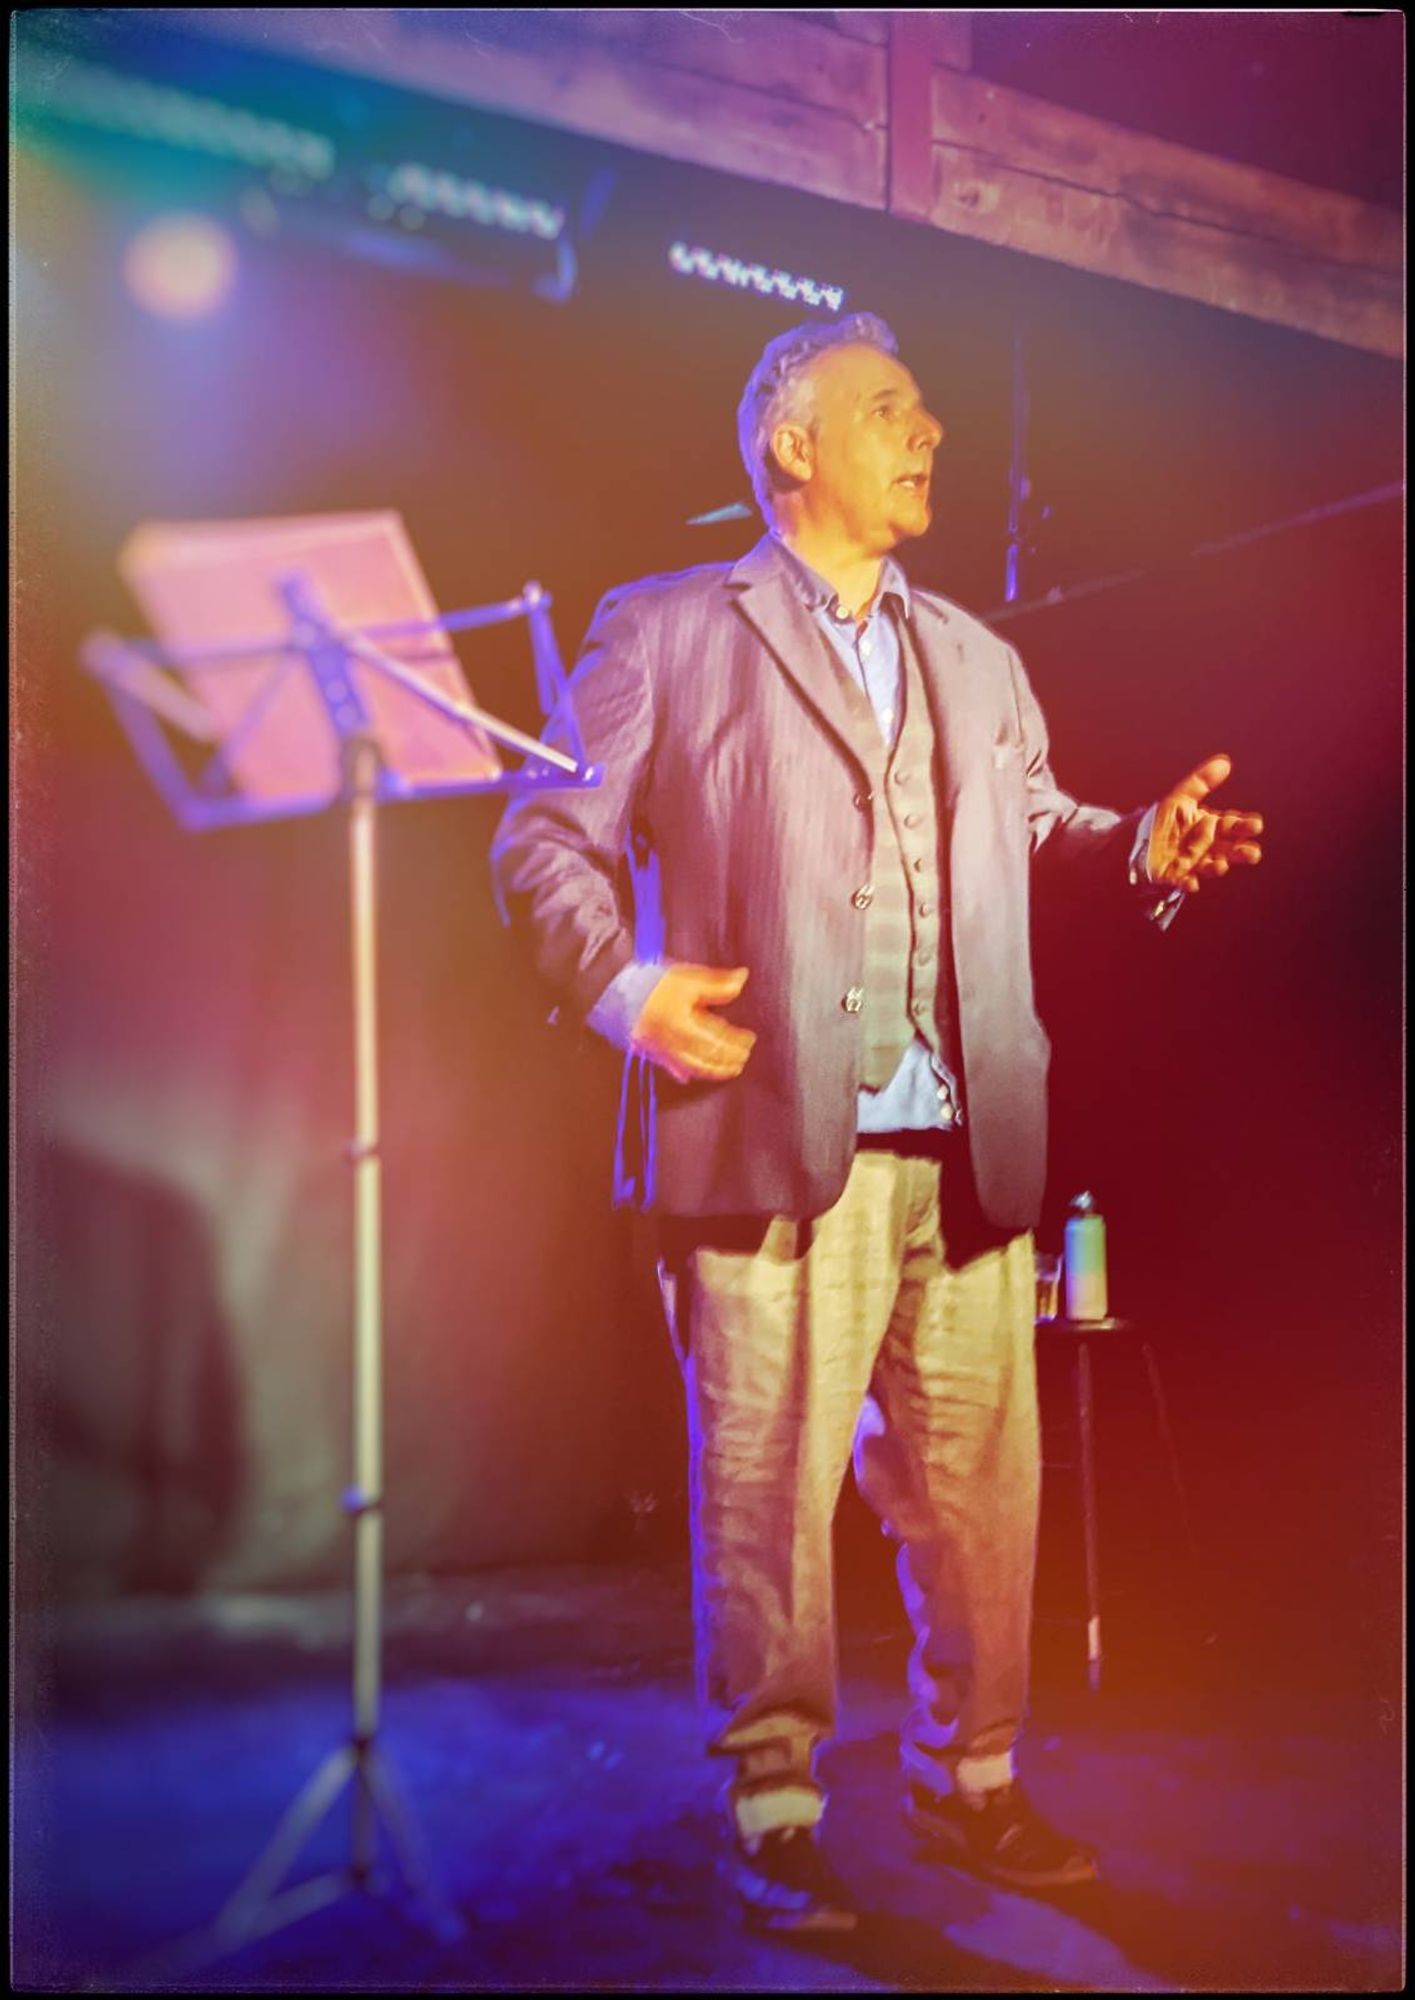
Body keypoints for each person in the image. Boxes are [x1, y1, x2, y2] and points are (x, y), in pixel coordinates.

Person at [490, 313, 1262, 1931]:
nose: (930, 434)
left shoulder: (980, 660)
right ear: (793, 444)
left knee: (985, 1491)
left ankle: (971, 1782)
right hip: (765, 1131)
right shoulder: (667, 630)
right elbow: (544, 840)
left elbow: (1043, 829)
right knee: (767, 1489)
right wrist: (624, 990)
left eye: (926, 410)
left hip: (967, 1142)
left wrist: (1140, 852)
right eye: (891, 410)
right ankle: (773, 1802)